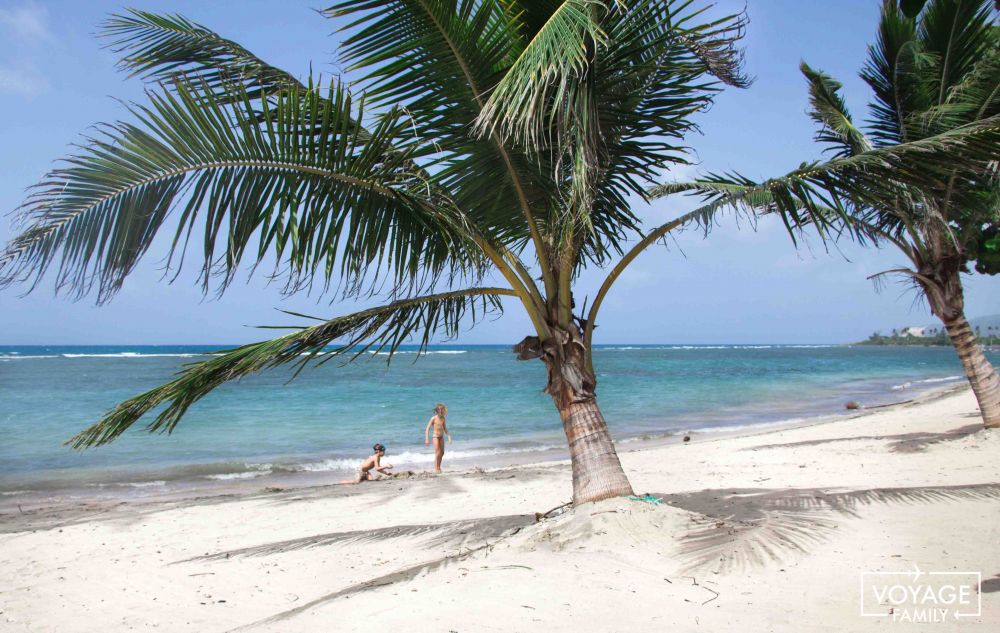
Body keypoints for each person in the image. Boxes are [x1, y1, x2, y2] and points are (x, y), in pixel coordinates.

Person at [424, 403, 452, 473]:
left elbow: (445, 428)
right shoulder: (433, 418)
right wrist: (427, 439)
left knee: (442, 453)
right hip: (435, 436)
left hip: (441, 436)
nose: (441, 411)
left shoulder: (443, 418)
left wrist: (449, 437)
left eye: (442, 410)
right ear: (437, 410)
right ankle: (436, 468)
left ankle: (439, 467)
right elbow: (427, 429)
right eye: (440, 410)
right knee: (438, 452)